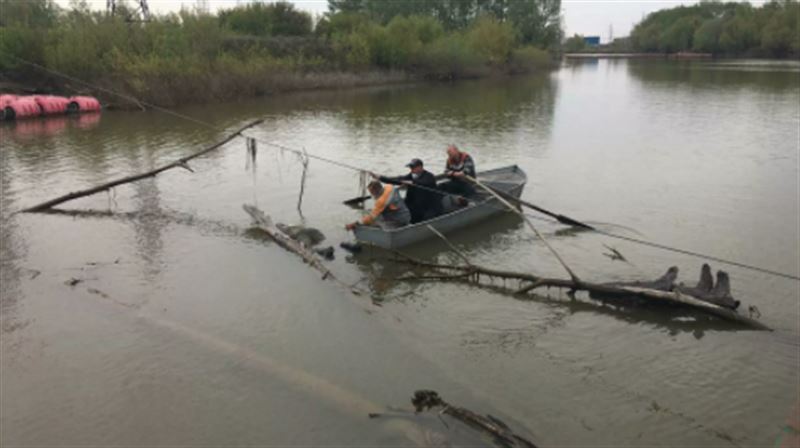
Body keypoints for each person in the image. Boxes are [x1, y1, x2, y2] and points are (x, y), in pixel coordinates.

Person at [372, 158, 443, 224]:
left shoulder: (429, 176)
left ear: (420, 167)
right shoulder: (412, 175)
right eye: (410, 167)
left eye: (413, 167)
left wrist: (413, 183)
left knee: (422, 219)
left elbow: (424, 183)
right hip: (416, 204)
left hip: (429, 206)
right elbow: (398, 179)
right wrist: (380, 178)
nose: (411, 169)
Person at [345, 180, 411, 231]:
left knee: (373, 220)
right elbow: (398, 188)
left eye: (371, 192)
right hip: (406, 214)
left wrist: (357, 223)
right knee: (373, 212)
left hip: (400, 220)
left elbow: (371, 218)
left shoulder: (382, 201)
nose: (372, 195)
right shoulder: (389, 187)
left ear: (376, 191)